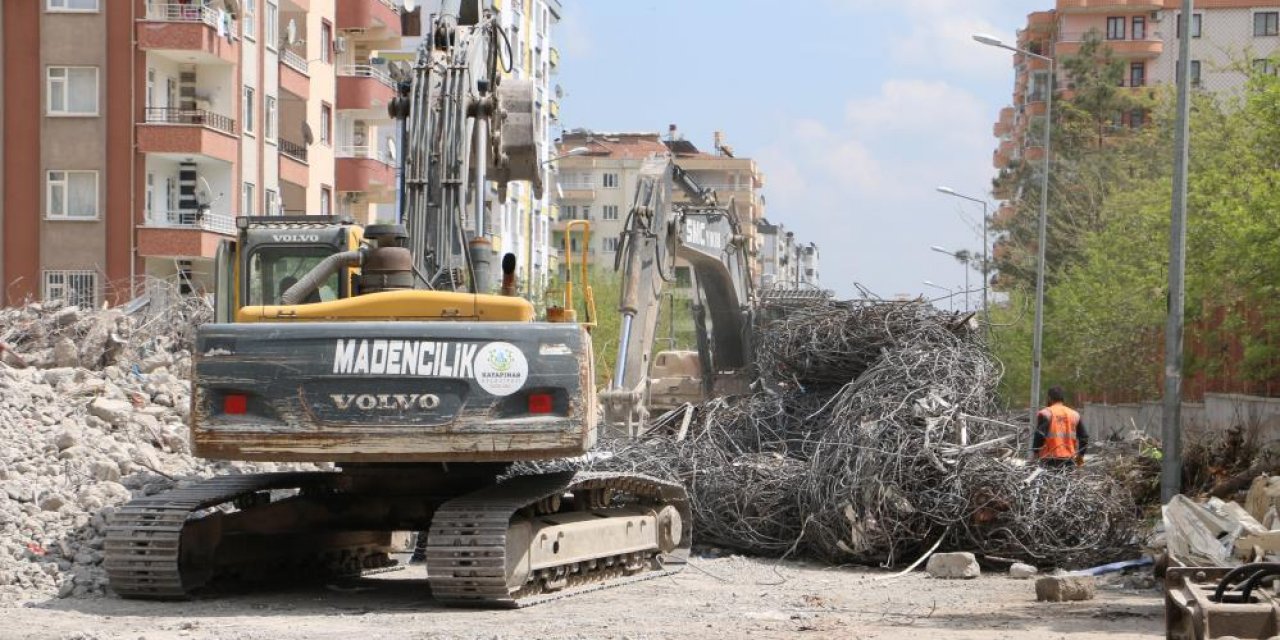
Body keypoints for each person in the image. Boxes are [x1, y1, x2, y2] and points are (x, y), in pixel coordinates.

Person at [1032, 385, 1088, 468]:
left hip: (1049, 460)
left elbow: (1039, 436)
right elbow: (1084, 438)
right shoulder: (1074, 414)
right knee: (1067, 481)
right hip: (1069, 460)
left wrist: (1035, 454)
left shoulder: (1046, 413)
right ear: (1063, 398)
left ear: (1049, 398)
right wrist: (1080, 457)